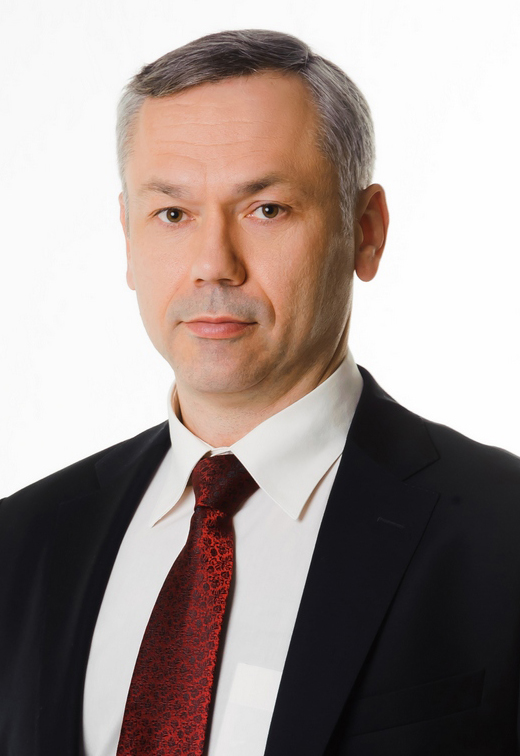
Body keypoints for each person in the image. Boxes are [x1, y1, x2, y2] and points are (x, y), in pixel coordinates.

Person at [1, 28, 519, 756]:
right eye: (172, 214)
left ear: (366, 232)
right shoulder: (23, 542)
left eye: (266, 209)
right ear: (127, 237)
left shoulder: (503, 533)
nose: (214, 264)